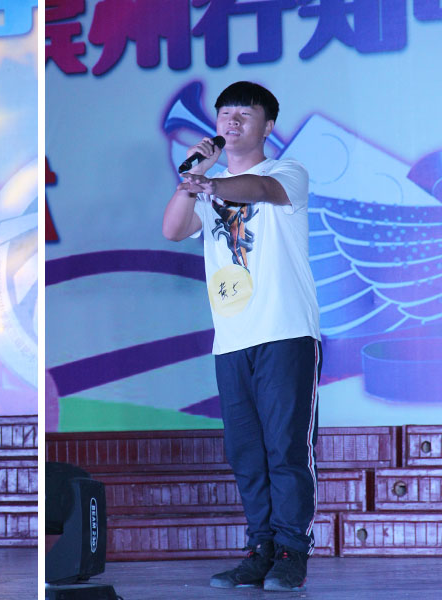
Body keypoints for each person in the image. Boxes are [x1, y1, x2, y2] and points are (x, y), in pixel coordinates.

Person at [162, 81, 321, 592]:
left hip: (286, 332)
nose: (231, 122)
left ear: (267, 125)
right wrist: (192, 180)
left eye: (244, 115)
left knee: (286, 448)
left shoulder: (285, 173)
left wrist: (210, 184)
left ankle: (292, 550)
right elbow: (172, 229)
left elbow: (258, 191)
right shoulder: (208, 187)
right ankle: (260, 549)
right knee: (247, 453)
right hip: (231, 339)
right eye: (224, 114)